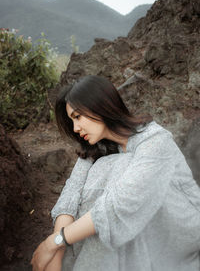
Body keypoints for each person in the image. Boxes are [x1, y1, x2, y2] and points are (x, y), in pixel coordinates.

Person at [31, 75, 200, 271]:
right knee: (103, 178)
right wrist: (57, 251)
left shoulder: (155, 140)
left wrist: (54, 242)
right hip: (134, 232)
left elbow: (120, 206)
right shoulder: (96, 147)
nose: (76, 128)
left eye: (77, 117)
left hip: (181, 234)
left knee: (117, 170)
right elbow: (71, 194)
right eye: (72, 121)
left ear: (99, 106)